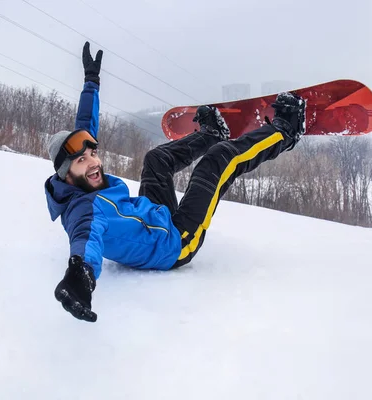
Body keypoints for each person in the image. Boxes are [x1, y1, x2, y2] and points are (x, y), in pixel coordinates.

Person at [45, 42, 306, 322]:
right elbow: (85, 241)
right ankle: (285, 133)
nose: (94, 162)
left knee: (156, 159)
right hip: (173, 242)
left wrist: (91, 82)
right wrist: (79, 275)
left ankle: (212, 133)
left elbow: (86, 126)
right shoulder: (81, 212)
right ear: (65, 173)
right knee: (216, 163)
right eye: (82, 161)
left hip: (153, 215)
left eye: (92, 154)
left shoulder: (78, 180)